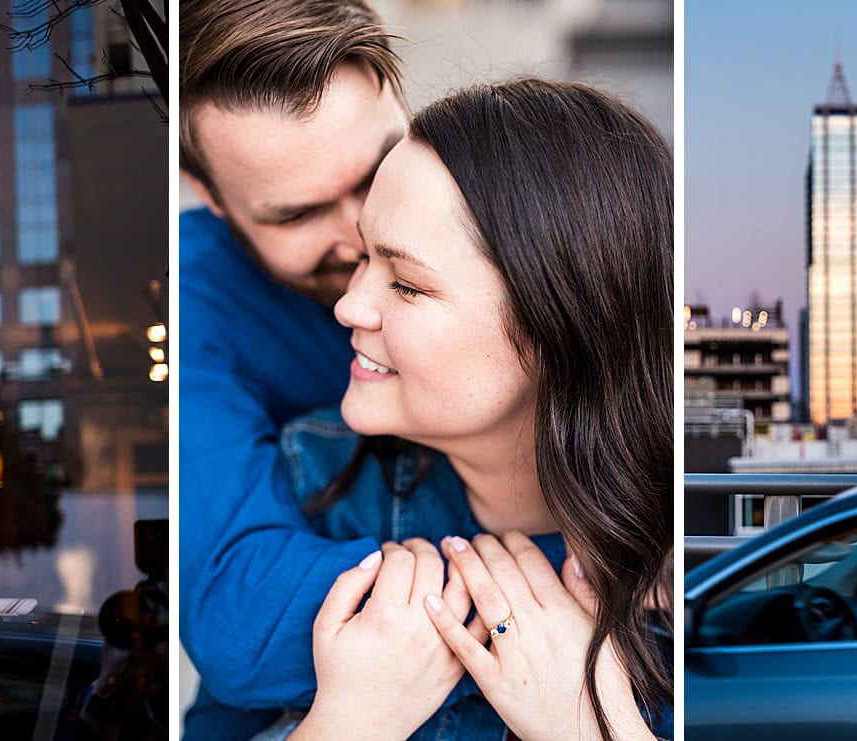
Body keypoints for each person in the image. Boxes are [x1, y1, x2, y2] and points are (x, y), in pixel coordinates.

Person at [282, 79, 672, 739]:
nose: (348, 306)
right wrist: (349, 721)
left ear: (558, 329)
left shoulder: (694, 589)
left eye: (405, 283)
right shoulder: (309, 478)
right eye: (363, 256)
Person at [175, 1, 414, 736]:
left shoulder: (507, 209)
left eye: (376, 172)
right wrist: (569, 569)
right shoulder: (190, 304)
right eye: (298, 214)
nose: (361, 234)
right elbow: (241, 624)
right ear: (209, 197)